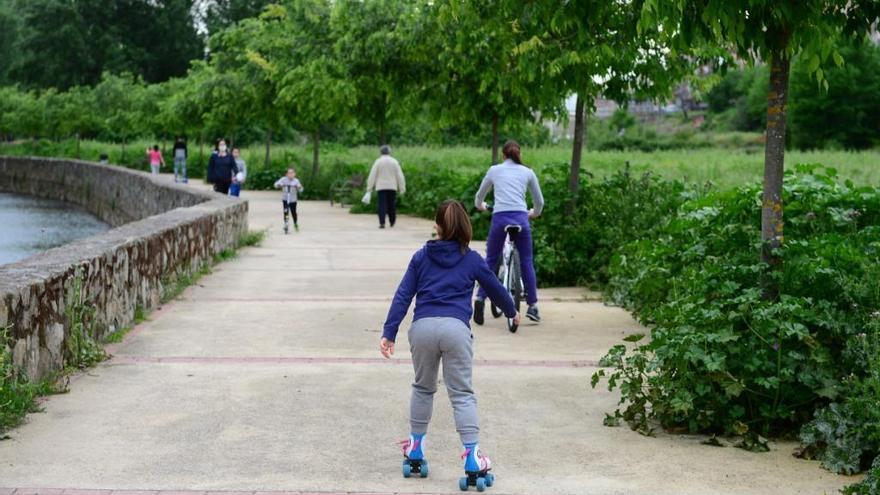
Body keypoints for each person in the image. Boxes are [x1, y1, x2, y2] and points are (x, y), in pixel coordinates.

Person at [380, 200, 518, 486]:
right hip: (456, 330)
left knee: (422, 387)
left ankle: (416, 448)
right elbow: (495, 288)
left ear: (437, 226)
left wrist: (389, 332)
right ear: (465, 225)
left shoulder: (421, 256)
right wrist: (512, 312)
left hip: (422, 329)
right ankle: (472, 455)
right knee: (462, 394)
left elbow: (403, 295)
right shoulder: (472, 259)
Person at [474, 140, 544, 324]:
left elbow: (479, 197)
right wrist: (533, 213)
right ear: (518, 154)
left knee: (490, 260)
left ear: (503, 155)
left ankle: (480, 299)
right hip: (521, 218)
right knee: (527, 261)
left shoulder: (494, 170)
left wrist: (481, 206)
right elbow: (539, 202)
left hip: (500, 219)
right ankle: (533, 306)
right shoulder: (528, 172)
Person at [366, 145, 406, 229]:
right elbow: (400, 175)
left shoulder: (378, 161)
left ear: (381, 152)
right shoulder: (394, 161)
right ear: (389, 152)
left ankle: (382, 223)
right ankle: (392, 221)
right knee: (392, 204)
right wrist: (402, 188)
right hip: (392, 187)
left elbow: (372, 175)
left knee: (382, 205)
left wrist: (369, 188)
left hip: (381, 187)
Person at [273, 167, 304, 233]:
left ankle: (295, 223)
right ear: (286, 174)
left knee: (293, 213)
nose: (290, 174)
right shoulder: (283, 179)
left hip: (293, 200)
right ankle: (286, 224)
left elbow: (301, 189)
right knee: (286, 211)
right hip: (285, 199)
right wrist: (279, 185)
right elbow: (276, 185)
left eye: (292, 173)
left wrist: (298, 187)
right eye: (289, 173)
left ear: (294, 174)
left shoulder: (296, 181)